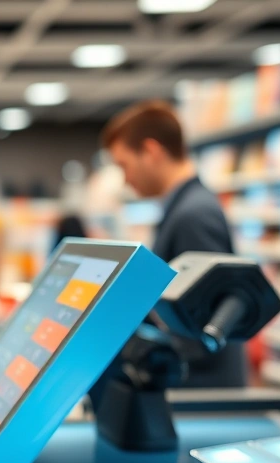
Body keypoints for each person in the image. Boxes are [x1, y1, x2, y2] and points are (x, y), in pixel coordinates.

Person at [101, 99, 245, 389]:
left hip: (204, 393)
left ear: (151, 152)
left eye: (123, 165)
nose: (125, 179)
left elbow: (205, 322)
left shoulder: (194, 214)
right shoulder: (184, 208)